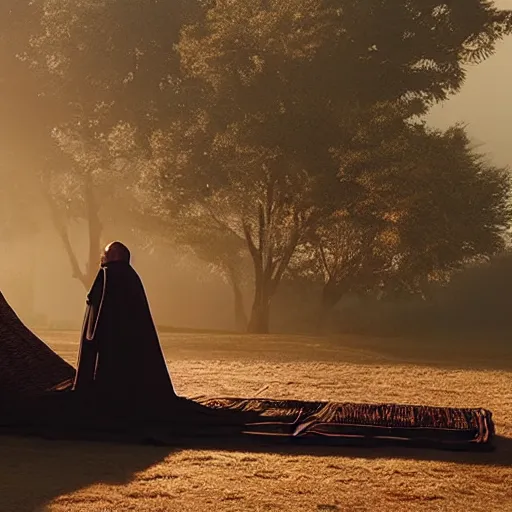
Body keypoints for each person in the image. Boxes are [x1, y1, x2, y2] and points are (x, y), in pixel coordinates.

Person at [73, 241, 176, 412]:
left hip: (109, 349)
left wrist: (94, 341)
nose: (102, 257)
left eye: (105, 254)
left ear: (113, 256)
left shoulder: (107, 276)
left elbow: (100, 314)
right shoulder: (132, 278)